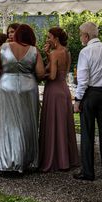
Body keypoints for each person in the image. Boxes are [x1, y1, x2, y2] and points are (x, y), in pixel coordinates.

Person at [0, 24, 45, 174]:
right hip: (28, 88)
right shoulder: (34, 50)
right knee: (27, 123)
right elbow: (40, 73)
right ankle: (27, 161)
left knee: (6, 124)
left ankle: (6, 162)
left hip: (6, 87)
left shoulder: (3, 47)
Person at [73, 22, 102, 181]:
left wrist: (78, 99)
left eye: (81, 35)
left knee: (87, 133)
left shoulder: (85, 52)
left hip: (90, 93)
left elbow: (83, 80)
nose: (80, 38)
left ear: (86, 36)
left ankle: (88, 171)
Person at [39, 27, 79, 172]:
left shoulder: (55, 53)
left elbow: (52, 75)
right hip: (64, 89)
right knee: (63, 124)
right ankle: (66, 158)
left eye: (49, 36)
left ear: (55, 38)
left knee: (53, 123)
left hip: (53, 91)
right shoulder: (66, 52)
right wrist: (47, 54)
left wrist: (39, 75)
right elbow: (64, 71)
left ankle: (55, 159)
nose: (48, 39)